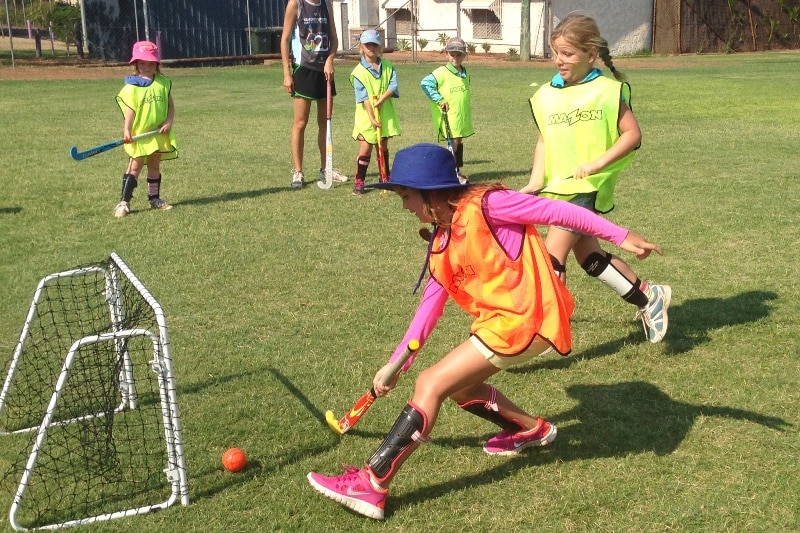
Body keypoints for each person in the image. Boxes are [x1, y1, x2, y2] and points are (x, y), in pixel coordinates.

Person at [306, 143, 664, 520]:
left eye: (406, 195)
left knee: (431, 384)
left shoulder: (489, 205)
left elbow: (561, 211)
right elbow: (427, 312)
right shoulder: (440, 243)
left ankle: (371, 484)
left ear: (432, 192)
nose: (404, 205)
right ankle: (532, 430)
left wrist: (621, 235)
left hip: (524, 318)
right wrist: (395, 364)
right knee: (461, 388)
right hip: (505, 325)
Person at [519, 13, 671, 343]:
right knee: (588, 257)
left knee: (550, 258)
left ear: (590, 54)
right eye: (555, 52)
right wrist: (534, 182)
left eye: (568, 54)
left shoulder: (607, 91)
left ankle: (544, 332)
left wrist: (596, 163)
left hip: (584, 189)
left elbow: (632, 134)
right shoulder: (547, 94)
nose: (559, 61)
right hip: (558, 188)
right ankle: (649, 296)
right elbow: (546, 138)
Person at [281, 0, 346, 189]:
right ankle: (298, 172)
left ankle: (326, 168)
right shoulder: (296, 4)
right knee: (300, 123)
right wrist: (287, 73)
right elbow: (284, 39)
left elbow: (333, 38)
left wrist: (330, 60)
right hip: (304, 69)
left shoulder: (327, 4)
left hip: (324, 71)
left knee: (325, 122)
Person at [113, 40, 177, 219]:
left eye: (150, 63)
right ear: (136, 64)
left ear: (156, 64)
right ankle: (124, 202)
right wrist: (127, 130)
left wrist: (169, 121)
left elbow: (171, 106)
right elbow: (130, 111)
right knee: (134, 168)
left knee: (154, 166)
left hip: (158, 133)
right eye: (142, 63)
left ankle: (154, 198)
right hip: (139, 135)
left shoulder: (163, 83)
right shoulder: (132, 85)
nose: (146, 66)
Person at [349, 29, 400, 195]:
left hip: (384, 112)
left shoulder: (388, 66)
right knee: (366, 148)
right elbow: (363, 98)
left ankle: (384, 177)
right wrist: (371, 117)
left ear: (379, 47)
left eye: (374, 44)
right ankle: (360, 181)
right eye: (367, 44)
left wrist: (382, 99)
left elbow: (392, 86)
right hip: (366, 115)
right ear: (361, 47)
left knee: (383, 145)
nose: (371, 47)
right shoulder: (358, 72)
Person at [420, 37, 472, 183]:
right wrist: (439, 99)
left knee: (459, 141)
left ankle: (457, 170)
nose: (456, 58)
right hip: (449, 115)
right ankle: (451, 173)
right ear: (446, 54)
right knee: (453, 142)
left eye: (459, 55)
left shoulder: (464, 72)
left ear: (464, 55)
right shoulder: (441, 72)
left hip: (461, 114)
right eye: (452, 54)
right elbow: (425, 84)